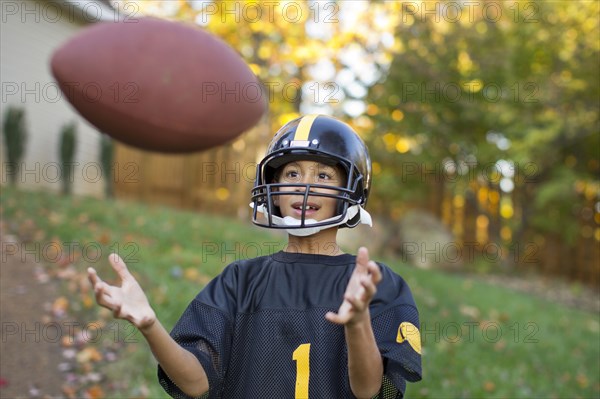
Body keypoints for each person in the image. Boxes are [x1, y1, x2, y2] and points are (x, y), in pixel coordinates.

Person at [88, 114, 422, 398]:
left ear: (350, 190)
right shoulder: (239, 280)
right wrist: (150, 325)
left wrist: (358, 321)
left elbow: (373, 391)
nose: (303, 185)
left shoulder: (377, 285)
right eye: (292, 173)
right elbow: (196, 382)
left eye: (322, 175)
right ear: (273, 187)